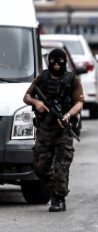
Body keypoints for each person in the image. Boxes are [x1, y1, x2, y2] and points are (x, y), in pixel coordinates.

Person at [23, 48, 84, 212]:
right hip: (44, 130)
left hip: (63, 130)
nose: (57, 64)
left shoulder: (72, 79)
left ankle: (59, 198)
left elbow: (79, 102)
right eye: (53, 61)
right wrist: (37, 103)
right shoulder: (41, 78)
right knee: (40, 168)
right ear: (49, 61)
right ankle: (58, 186)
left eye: (60, 61)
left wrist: (68, 115)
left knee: (61, 168)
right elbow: (27, 97)